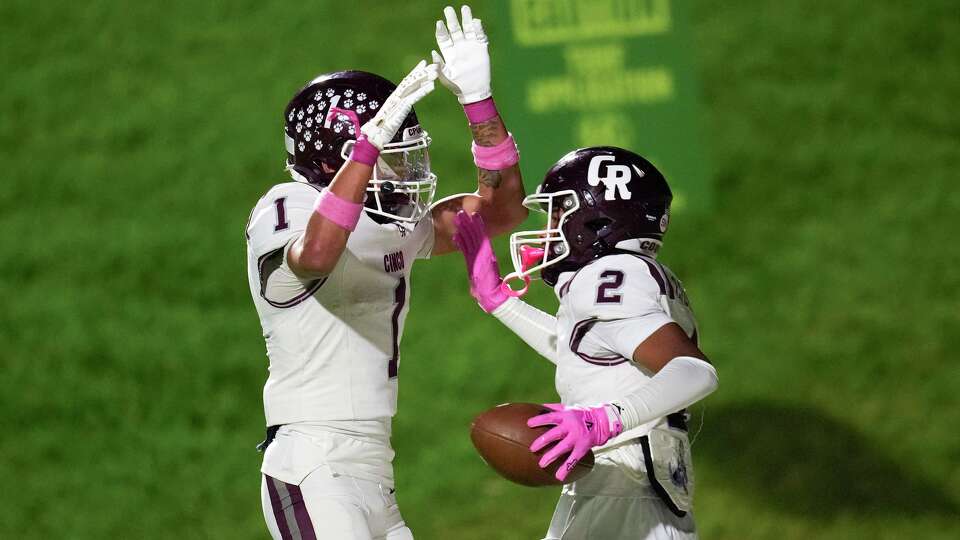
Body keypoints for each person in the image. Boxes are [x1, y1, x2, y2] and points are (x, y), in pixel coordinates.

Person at [244, 6, 526, 539]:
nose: (402, 170)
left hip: (374, 465)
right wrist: (368, 151)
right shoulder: (286, 206)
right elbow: (318, 255)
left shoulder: (390, 221)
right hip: (312, 458)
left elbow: (502, 213)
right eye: (389, 153)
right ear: (338, 158)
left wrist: (479, 106)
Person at [453, 146, 719, 539]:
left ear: (595, 221)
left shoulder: (611, 273)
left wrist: (603, 420)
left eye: (558, 213)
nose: (547, 229)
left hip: (625, 488)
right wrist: (499, 303)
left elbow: (694, 371)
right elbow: (588, 350)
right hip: (632, 485)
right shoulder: (633, 273)